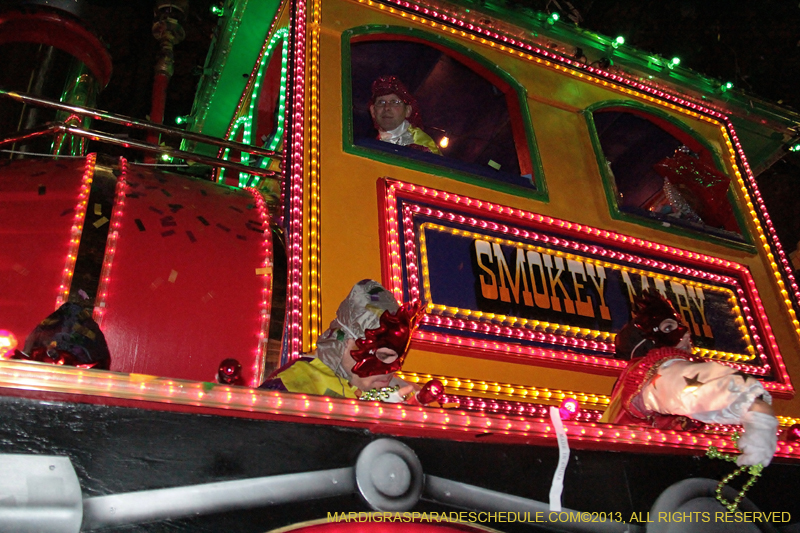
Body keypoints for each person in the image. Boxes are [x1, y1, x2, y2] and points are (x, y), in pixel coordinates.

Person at [601, 291, 779, 467]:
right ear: (648, 344)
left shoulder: (631, 382)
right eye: (668, 328)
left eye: (678, 324)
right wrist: (756, 409)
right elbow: (681, 382)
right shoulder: (653, 370)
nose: (686, 332)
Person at [260, 279, 425, 403]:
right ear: (345, 342)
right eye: (382, 355)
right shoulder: (292, 388)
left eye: (399, 358)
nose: (393, 368)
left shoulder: (404, 392)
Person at [369, 75, 441, 155]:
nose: (386, 108)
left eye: (394, 102)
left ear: (408, 110)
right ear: (372, 111)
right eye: (381, 102)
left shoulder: (422, 147)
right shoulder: (368, 146)